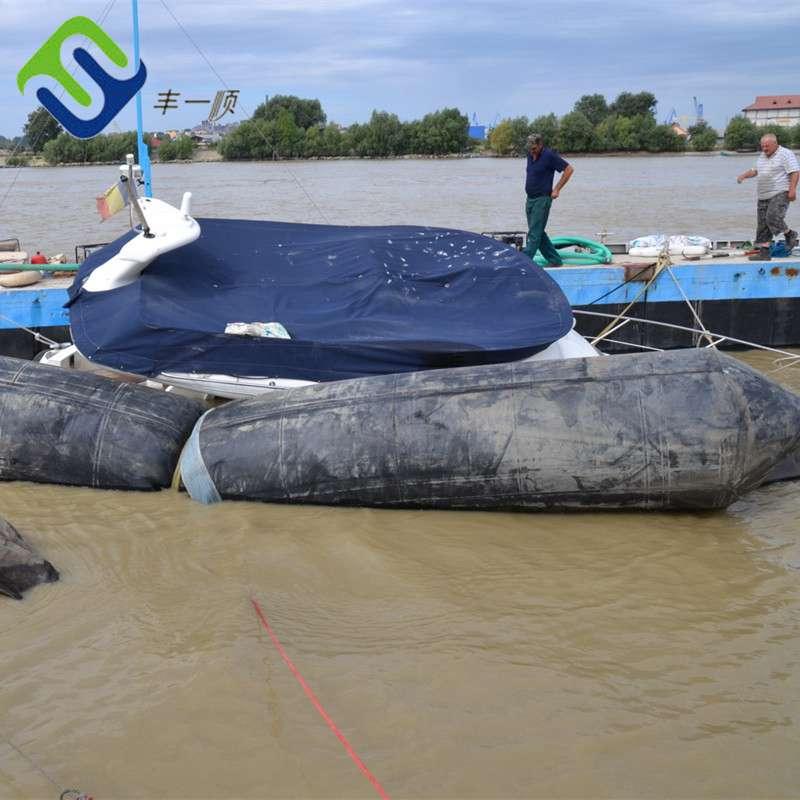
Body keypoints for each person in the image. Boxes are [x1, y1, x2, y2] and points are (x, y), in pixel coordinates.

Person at [737, 133, 799, 260]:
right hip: (763, 194)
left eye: (767, 146)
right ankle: (764, 253)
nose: (764, 149)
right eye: (762, 146)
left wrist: (792, 189)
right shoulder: (762, 156)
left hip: (780, 192)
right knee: (763, 224)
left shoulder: (785, 154)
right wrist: (743, 176)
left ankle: (790, 234)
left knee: (772, 217)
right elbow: (755, 170)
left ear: (775, 144)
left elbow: (795, 172)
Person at [523, 133, 574, 266]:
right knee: (538, 232)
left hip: (542, 199)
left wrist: (557, 189)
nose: (531, 151)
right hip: (530, 199)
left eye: (534, 148)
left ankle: (524, 263)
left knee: (534, 233)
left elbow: (568, 169)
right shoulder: (530, 155)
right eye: (529, 148)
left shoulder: (549, 155)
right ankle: (555, 260)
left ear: (540, 145)